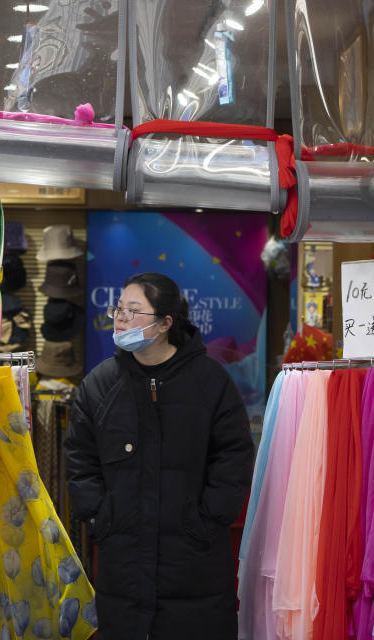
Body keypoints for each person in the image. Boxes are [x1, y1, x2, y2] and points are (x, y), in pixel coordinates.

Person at [65, 272, 253, 639]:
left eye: (133, 311)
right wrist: (100, 518)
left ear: (166, 323)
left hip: (193, 565)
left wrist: (206, 519)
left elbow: (234, 456)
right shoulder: (100, 384)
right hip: (124, 564)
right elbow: (80, 460)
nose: (119, 318)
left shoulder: (210, 382)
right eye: (118, 308)